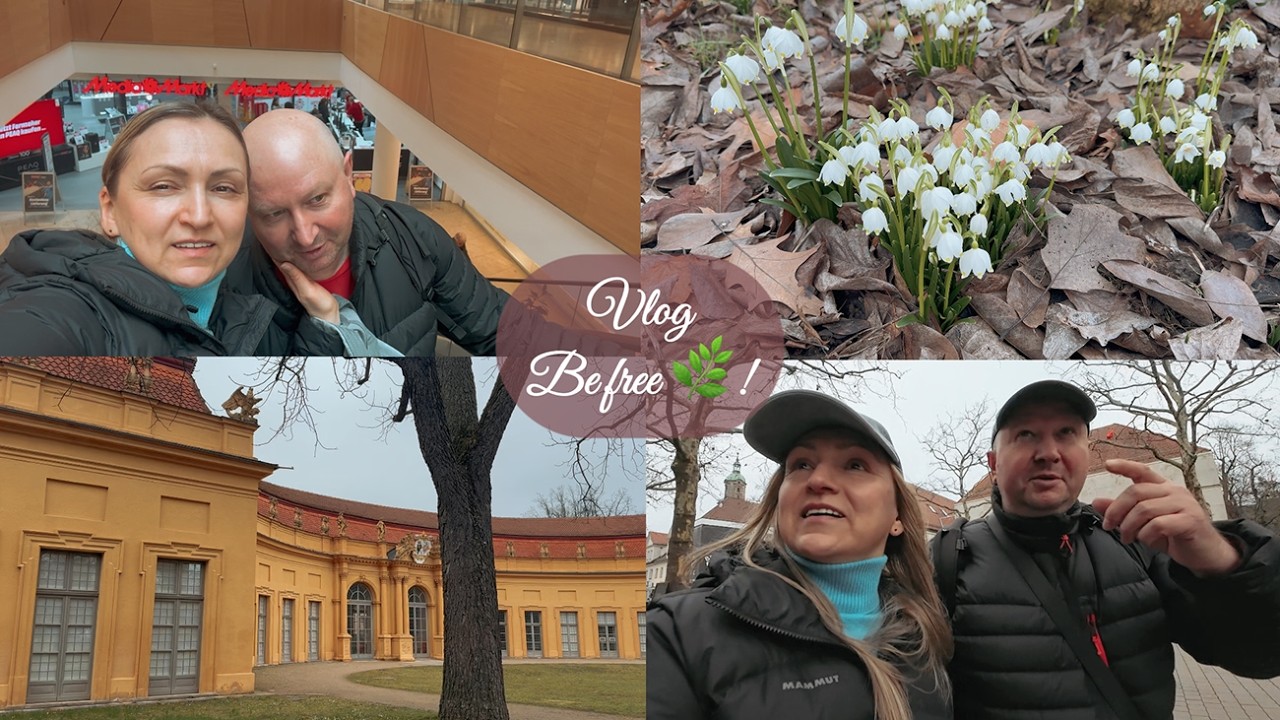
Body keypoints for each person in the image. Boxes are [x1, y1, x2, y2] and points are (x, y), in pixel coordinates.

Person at [934, 379, 1280, 720]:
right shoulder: (947, 559)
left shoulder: (1138, 540)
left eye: (1067, 433)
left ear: (1088, 452)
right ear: (993, 463)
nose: (1049, 453)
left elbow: (1262, 658)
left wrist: (1223, 564)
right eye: (1025, 435)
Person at [647, 390, 953, 720]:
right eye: (801, 464)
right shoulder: (674, 633)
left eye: (855, 464)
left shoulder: (927, 632)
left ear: (898, 517)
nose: (818, 480)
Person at [0, 102, 393, 356]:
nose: (200, 215)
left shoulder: (244, 317)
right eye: (164, 186)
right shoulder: (64, 309)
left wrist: (328, 327)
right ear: (110, 210)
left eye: (224, 188)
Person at [224, 109, 510, 356]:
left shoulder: (410, 237)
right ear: (248, 209)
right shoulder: (222, 284)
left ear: (349, 176)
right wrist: (326, 329)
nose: (305, 235)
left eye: (317, 199)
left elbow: (507, 331)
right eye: (274, 214)